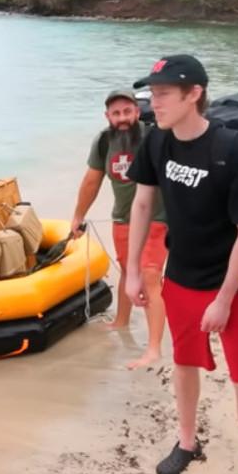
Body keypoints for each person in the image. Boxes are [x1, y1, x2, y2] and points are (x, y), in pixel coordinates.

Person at [124, 55, 238, 474]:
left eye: (163, 94)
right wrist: (131, 273)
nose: (154, 102)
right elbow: (143, 204)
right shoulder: (156, 142)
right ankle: (187, 443)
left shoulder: (233, 150)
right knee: (184, 364)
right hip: (180, 278)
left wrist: (223, 299)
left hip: (234, 284)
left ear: (194, 94)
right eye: (152, 93)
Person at [69, 88, 168, 368]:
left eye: (127, 111)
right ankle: (121, 321)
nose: (122, 118)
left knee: (149, 275)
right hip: (124, 218)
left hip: (159, 217)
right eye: (116, 113)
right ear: (107, 116)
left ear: (137, 112)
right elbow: (92, 180)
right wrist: (78, 215)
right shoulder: (103, 140)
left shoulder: (154, 135)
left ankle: (153, 348)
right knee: (127, 269)